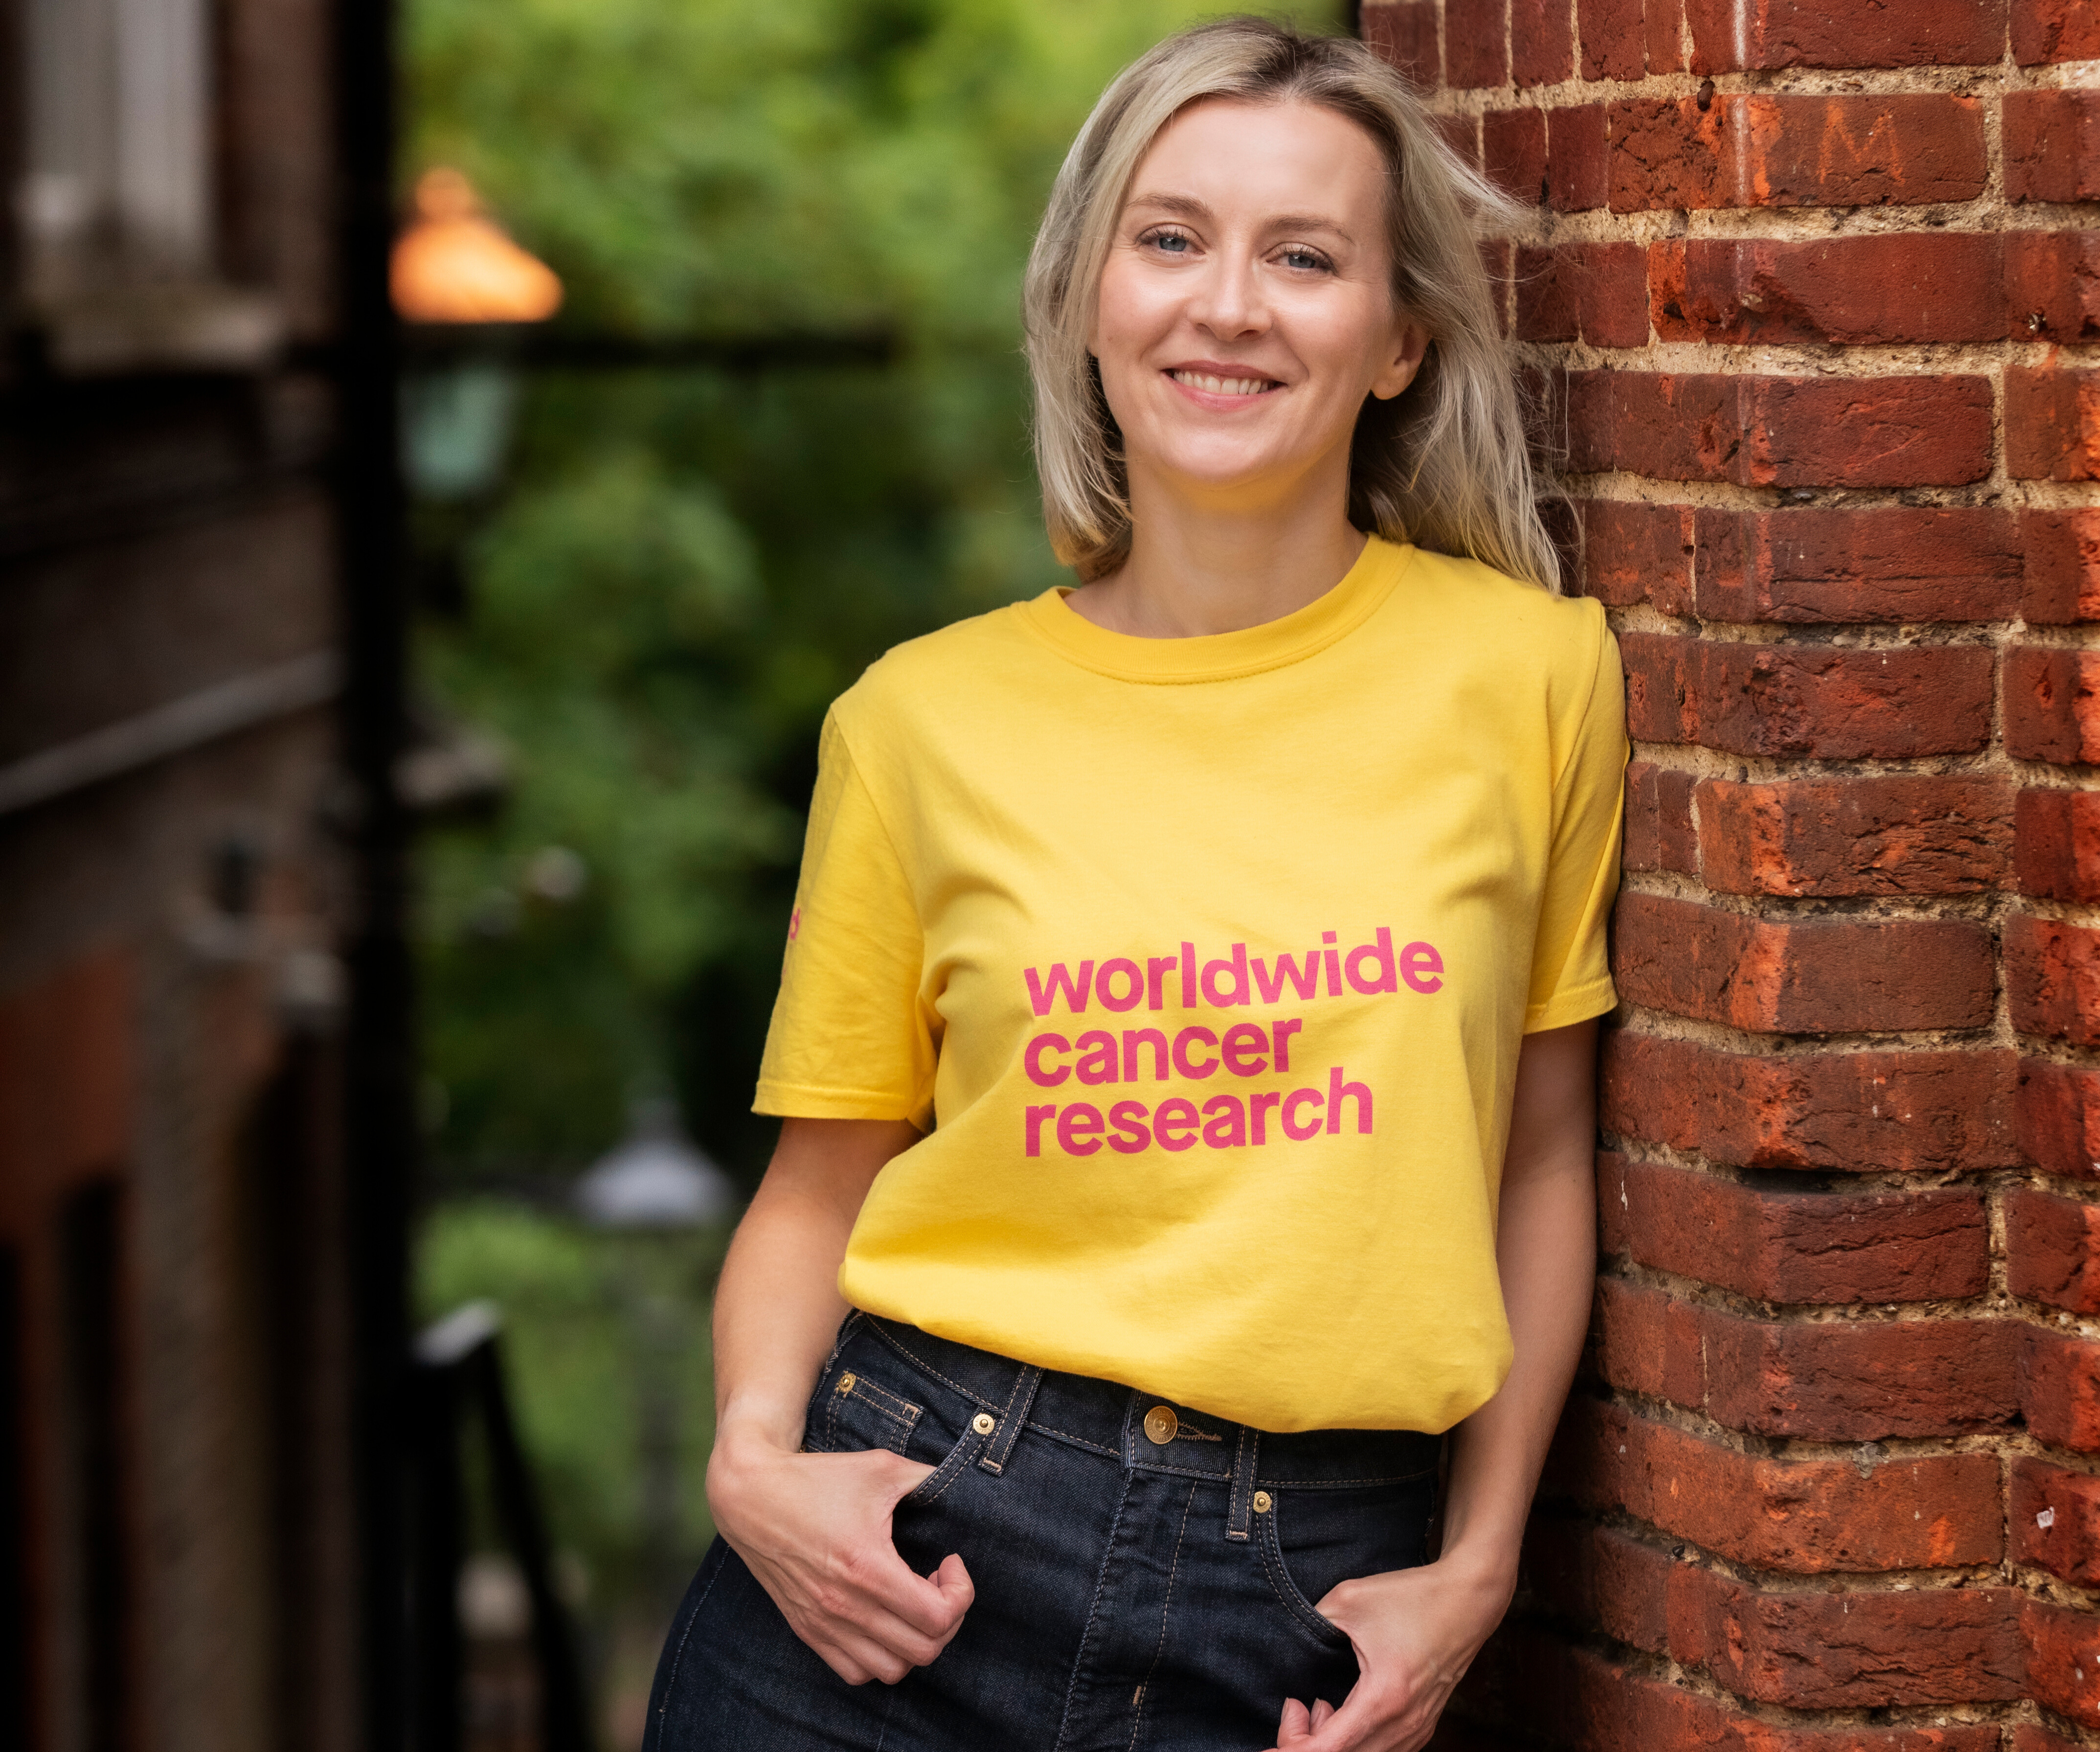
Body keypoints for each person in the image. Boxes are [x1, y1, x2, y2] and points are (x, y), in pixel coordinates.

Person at [643, 17, 1624, 1752]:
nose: (1227, 306)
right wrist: (747, 1464)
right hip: (909, 1547)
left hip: (1300, 1605)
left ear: (1399, 339)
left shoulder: (1532, 679)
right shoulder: (916, 723)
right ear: (1090, 301)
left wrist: (1480, 1565)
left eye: (1303, 258)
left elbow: (1540, 1154)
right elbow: (815, 1191)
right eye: (1169, 239)